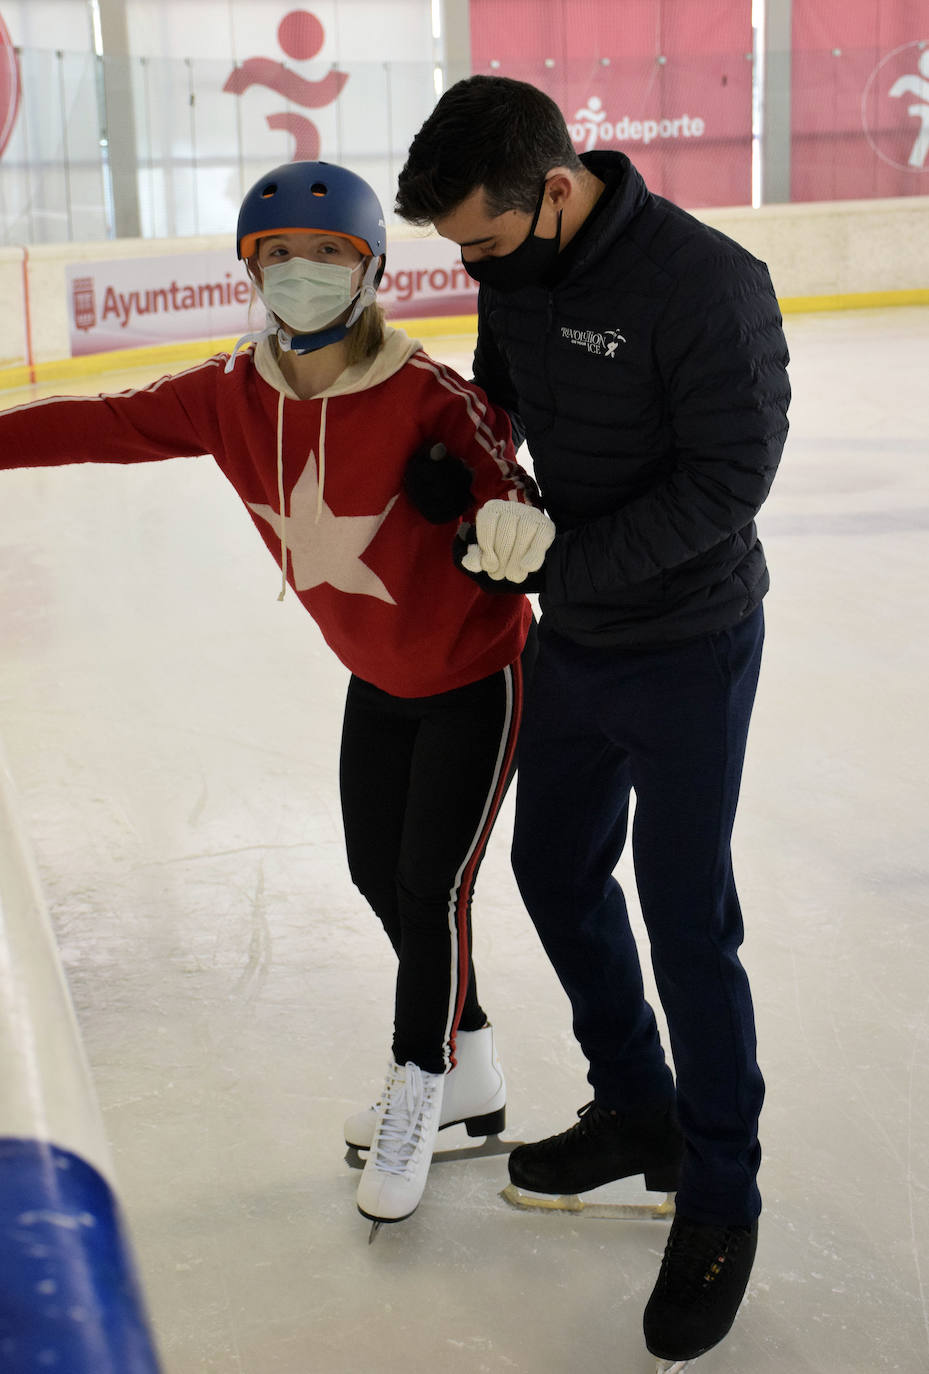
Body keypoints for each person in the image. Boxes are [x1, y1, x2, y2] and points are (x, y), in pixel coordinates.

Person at [0, 160, 542, 1236]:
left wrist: (508, 524)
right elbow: (104, 423)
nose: (300, 275)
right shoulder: (230, 397)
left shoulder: (427, 394)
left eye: (328, 256)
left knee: (428, 890)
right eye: (278, 258)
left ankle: (420, 1082)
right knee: (376, 876)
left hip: (472, 677)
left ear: (369, 271)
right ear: (249, 271)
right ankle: (473, 1063)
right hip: (376, 678)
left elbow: (507, 483)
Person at [395, 75, 791, 1366]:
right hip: (578, 637)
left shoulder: (709, 286)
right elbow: (507, 404)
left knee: (687, 915)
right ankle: (639, 1111)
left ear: (554, 188)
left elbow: (728, 483)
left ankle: (720, 1194)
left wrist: (558, 558)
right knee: (554, 866)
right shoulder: (512, 263)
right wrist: (471, 476)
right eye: (460, 250)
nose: (473, 266)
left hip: (688, 642)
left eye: (486, 241)